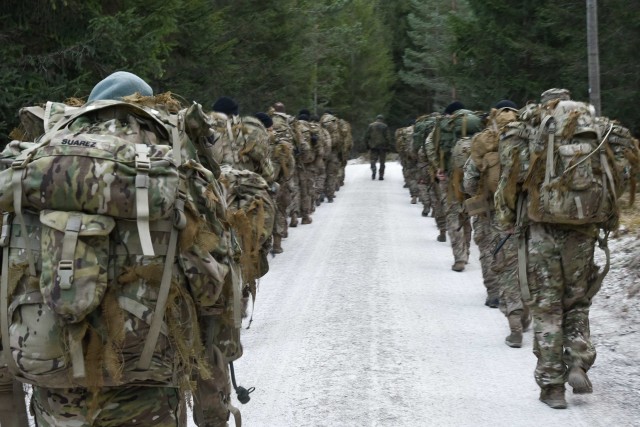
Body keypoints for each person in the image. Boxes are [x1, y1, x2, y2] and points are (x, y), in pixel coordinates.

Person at [0, 71, 243, 426]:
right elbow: (213, 296)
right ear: (150, 105)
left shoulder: (35, 168)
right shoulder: (174, 165)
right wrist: (214, 412)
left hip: (55, 391)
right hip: (147, 391)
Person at [494, 88, 637, 409]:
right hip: (584, 231)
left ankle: (552, 387)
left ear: (546, 103)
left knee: (547, 306)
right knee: (577, 301)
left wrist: (506, 218)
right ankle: (578, 361)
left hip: (541, 230)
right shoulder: (599, 130)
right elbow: (622, 175)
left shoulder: (531, 128)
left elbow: (509, 179)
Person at [364, 114, 392, 180]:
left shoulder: (371, 126)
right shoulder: (385, 126)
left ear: (376, 119)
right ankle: (381, 176)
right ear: (382, 119)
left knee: (373, 160)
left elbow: (366, 137)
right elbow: (388, 137)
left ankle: (373, 169)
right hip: (383, 147)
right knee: (382, 162)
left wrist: (367, 145)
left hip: (373, 146)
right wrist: (388, 145)